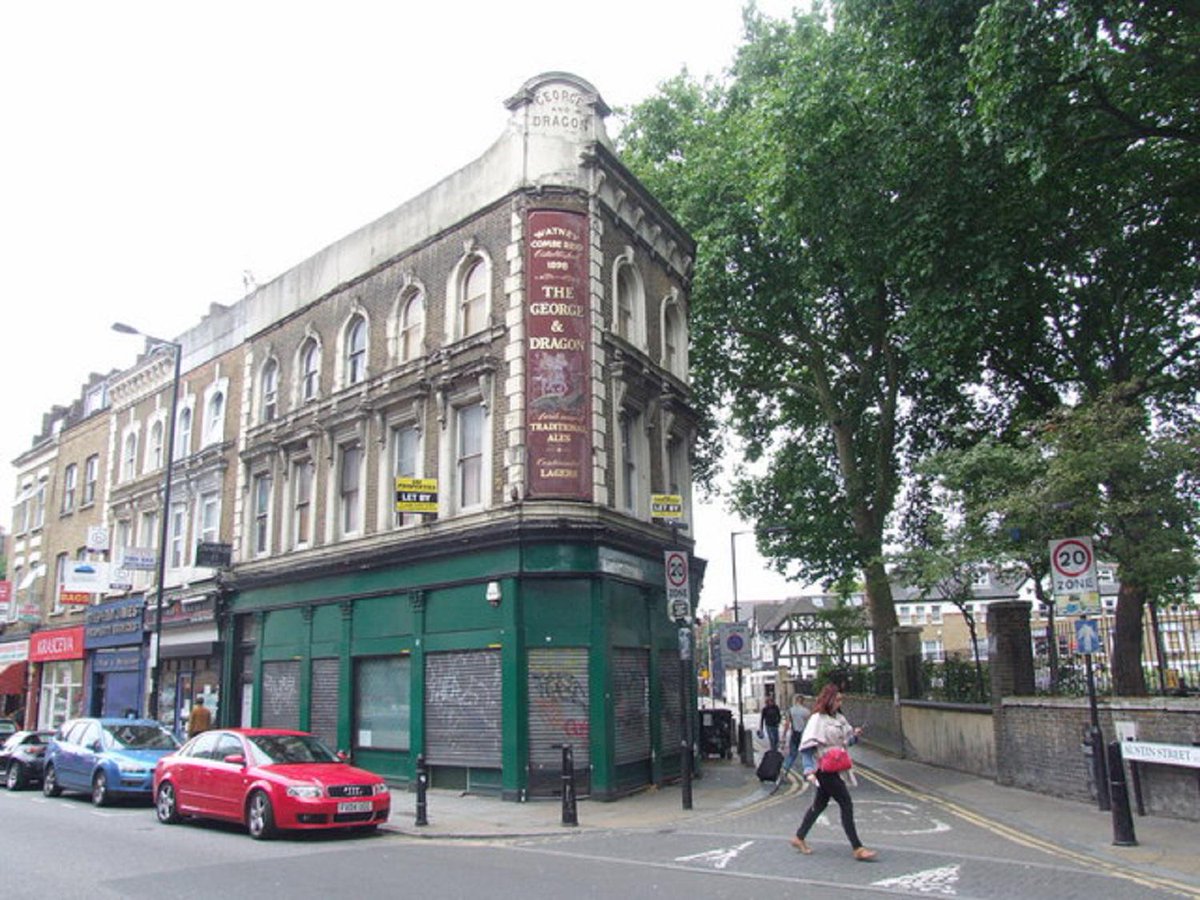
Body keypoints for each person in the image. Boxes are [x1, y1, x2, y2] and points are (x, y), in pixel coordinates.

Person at [789, 683, 877, 861]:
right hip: (823, 768)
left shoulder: (840, 718)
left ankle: (799, 837)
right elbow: (807, 747)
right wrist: (808, 770)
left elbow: (846, 742)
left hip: (836, 766)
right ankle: (857, 848)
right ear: (828, 699)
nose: (839, 703)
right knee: (846, 803)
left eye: (840, 700)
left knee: (819, 805)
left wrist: (854, 736)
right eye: (837, 699)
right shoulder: (817, 719)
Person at [778, 694, 811, 782]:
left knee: (792, 755)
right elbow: (810, 724)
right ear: (802, 701)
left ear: (796, 701)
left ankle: (784, 770)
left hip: (794, 734)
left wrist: (784, 736)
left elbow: (787, 724)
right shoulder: (806, 711)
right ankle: (806, 774)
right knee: (806, 754)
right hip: (803, 735)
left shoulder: (791, 711)